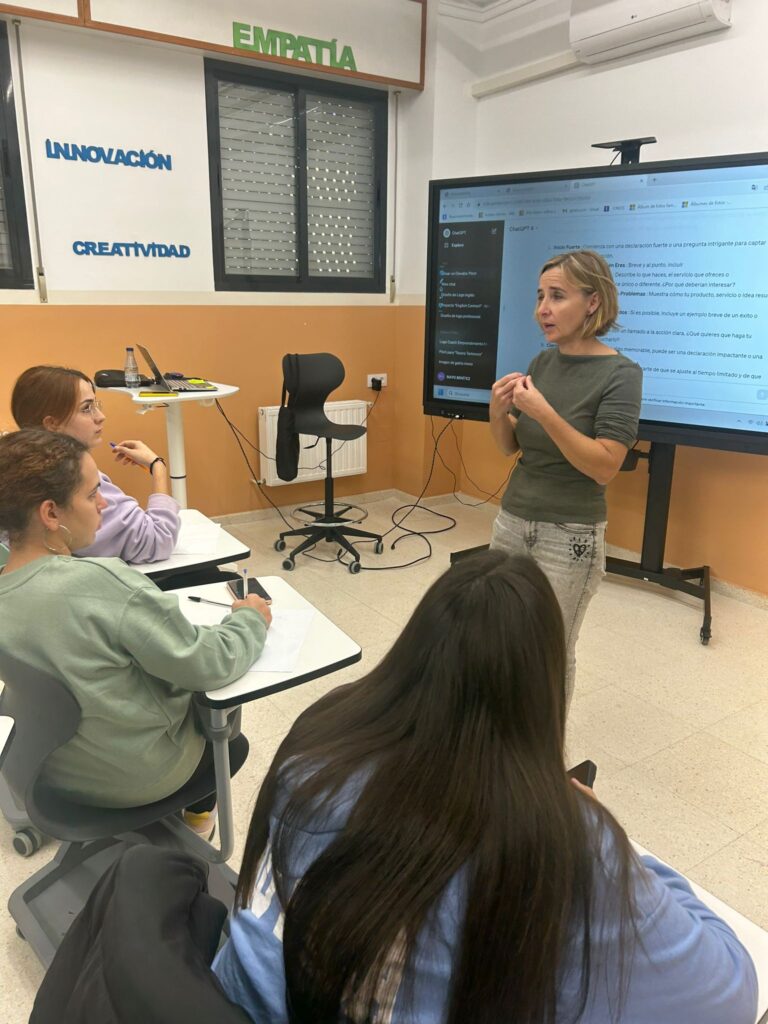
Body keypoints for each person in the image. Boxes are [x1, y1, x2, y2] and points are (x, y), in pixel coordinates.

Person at [213, 550, 757, 1024]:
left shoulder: (324, 731)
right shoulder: (564, 845)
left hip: (231, 998)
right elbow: (729, 992)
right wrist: (618, 843)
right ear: (543, 689)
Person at [0, 428, 271, 813]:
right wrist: (249, 620)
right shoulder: (100, 582)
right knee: (227, 714)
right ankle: (199, 819)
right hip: (140, 777)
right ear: (51, 513)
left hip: (52, 770)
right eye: (92, 495)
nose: (103, 505)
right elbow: (207, 664)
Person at [490, 249, 643, 709]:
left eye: (557, 296)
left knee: (549, 652)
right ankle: (499, 736)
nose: (543, 309)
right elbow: (510, 446)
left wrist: (544, 412)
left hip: (570, 533)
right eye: (540, 297)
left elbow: (604, 465)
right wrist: (497, 412)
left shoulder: (622, 374)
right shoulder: (541, 363)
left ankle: (544, 748)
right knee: (498, 637)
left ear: (593, 302)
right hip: (512, 520)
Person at [10, 364, 179, 564]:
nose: (100, 417)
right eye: (86, 408)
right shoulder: (74, 479)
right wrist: (157, 466)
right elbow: (158, 540)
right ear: (52, 424)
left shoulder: (12, 470)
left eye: (96, 405)